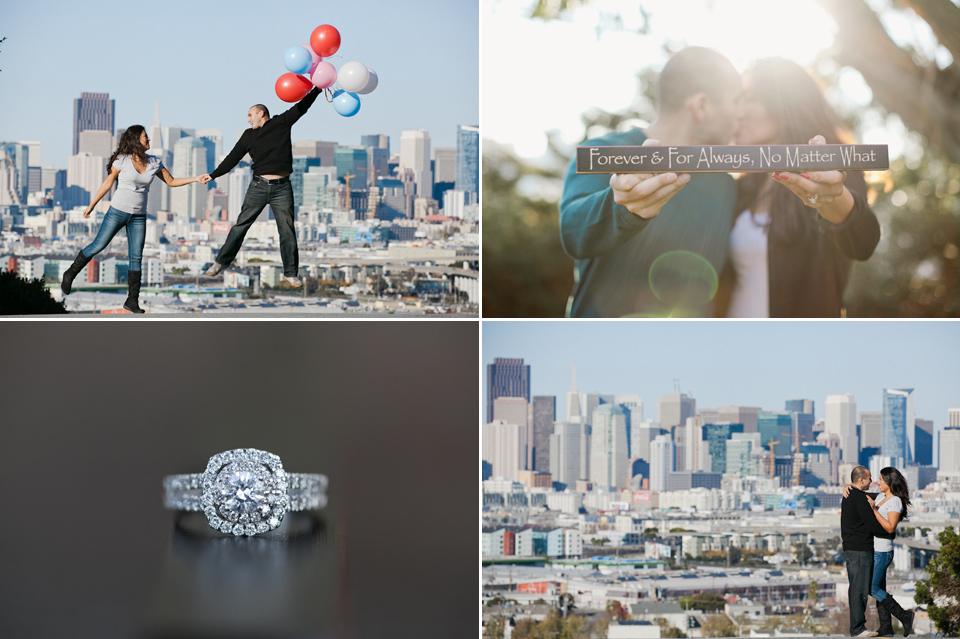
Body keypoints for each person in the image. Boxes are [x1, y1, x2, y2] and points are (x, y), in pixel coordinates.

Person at [558, 46, 742, 317]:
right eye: (735, 101)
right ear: (701, 105)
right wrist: (623, 206)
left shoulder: (726, 186)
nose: (740, 114)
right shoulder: (605, 154)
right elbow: (574, 234)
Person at [716, 57, 881, 317]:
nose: (739, 112)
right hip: (733, 345)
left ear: (783, 104)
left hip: (796, 349)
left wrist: (832, 201)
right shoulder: (746, 184)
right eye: (738, 101)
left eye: (750, 98)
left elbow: (862, 242)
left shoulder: (833, 167)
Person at [59, 125, 204, 313]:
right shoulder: (122, 161)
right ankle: (70, 273)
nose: (149, 140)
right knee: (98, 245)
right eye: (146, 137)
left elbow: (171, 181)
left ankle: (132, 300)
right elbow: (108, 183)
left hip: (139, 216)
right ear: (136, 140)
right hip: (117, 211)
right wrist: (91, 206)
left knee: (136, 257)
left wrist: (196, 178)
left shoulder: (154, 162)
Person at [201, 88, 322, 287]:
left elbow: (302, 107)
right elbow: (232, 158)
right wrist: (213, 175)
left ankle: (291, 273)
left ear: (261, 113)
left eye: (250, 115)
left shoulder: (281, 123)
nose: (248, 120)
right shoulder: (248, 136)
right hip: (258, 186)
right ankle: (219, 263)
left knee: (287, 231)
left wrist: (316, 90)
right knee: (241, 226)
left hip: (283, 188)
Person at [844, 467, 915, 636]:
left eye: (881, 480)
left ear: (889, 482)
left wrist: (874, 510)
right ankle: (886, 627)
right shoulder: (881, 496)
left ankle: (904, 615)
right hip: (874, 549)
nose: (877, 482)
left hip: (883, 550)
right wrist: (848, 486)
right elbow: (859, 496)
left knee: (872, 587)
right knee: (879, 588)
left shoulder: (895, 501)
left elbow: (890, 527)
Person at [841, 466, 895, 637]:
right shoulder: (859, 498)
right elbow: (872, 524)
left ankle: (859, 627)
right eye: (869, 478)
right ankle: (858, 629)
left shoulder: (850, 496)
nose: (872, 482)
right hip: (860, 550)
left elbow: (870, 501)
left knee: (858, 587)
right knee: (860, 589)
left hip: (852, 548)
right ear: (861, 480)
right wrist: (888, 533)